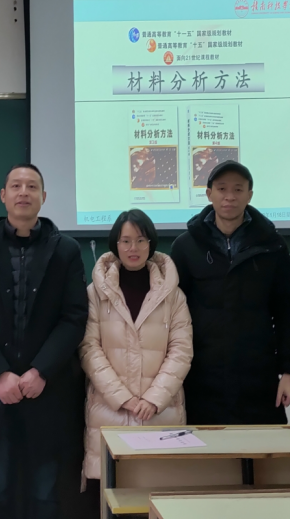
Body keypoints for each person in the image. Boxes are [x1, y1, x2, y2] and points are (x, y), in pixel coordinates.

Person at [0, 164, 88, 519]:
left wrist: (40, 370)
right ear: (3, 195)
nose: (24, 192)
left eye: (32, 186)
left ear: (44, 197)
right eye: (16, 186)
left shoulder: (66, 250)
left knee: (45, 489)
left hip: (47, 389)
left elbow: (74, 317)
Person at [170, 161, 290, 425]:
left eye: (238, 189)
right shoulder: (185, 246)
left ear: (249, 195)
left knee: (264, 448)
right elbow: (172, 316)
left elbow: (287, 312)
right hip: (201, 375)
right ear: (209, 194)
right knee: (205, 448)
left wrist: (288, 372)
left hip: (258, 375)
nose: (229, 196)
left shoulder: (272, 245)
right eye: (222, 189)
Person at [80, 209, 193, 507]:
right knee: (111, 499)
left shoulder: (173, 295)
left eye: (141, 240)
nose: (133, 248)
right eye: (126, 241)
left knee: (157, 501)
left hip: (160, 412)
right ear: (115, 245)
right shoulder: (95, 293)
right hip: (109, 411)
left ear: (151, 243)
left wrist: (154, 399)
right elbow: (89, 349)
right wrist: (124, 398)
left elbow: (181, 350)